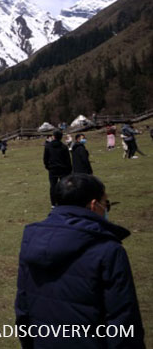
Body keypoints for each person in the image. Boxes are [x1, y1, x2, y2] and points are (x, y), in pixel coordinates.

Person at [15, 174, 145, 349]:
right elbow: (123, 320)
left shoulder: (31, 241)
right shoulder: (108, 249)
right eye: (105, 203)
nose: (106, 208)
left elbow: (23, 307)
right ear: (93, 205)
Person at [43, 130, 72, 207]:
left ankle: (53, 203)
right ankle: (64, 201)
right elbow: (68, 159)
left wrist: (47, 166)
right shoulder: (64, 147)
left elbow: (45, 158)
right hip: (63, 169)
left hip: (53, 169)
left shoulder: (48, 146)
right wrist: (69, 169)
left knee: (53, 186)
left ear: (54, 136)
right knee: (64, 186)